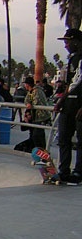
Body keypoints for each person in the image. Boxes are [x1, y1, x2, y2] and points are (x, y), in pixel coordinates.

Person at [53, 28, 82, 183]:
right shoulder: (72, 60)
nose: (65, 45)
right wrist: (61, 101)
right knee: (64, 138)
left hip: (79, 105)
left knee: (80, 140)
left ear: (76, 41)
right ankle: (64, 170)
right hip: (68, 105)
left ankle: (78, 173)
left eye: (67, 42)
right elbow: (70, 84)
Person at [22, 76, 51, 149]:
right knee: (35, 135)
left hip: (41, 116)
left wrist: (30, 104)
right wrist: (28, 104)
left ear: (27, 84)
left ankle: (42, 152)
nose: (25, 86)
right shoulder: (30, 92)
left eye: (25, 84)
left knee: (37, 135)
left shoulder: (37, 91)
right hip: (35, 117)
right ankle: (39, 151)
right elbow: (26, 100)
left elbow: (37, 102)